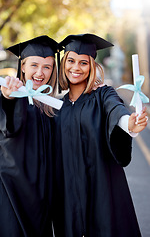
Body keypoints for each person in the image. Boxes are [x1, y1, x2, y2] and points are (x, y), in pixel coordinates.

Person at [52, 34, 148, 237]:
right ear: (63, 63)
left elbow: (116, 110)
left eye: (83, 62)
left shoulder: (103, 94)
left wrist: (128, 123)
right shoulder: (57, 108)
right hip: (68, 195)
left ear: (92, 66)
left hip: (103, 188)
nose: (76, 67)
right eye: (71, 61)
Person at [0, 35, 58, 237]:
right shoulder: (12, 93)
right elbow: (5, 124)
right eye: (34, 65)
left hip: (38, 190)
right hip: (7, 184)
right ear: (22, 66)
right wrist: (8, 96)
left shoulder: (53, 106)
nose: (40, 73)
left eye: (47, 67)